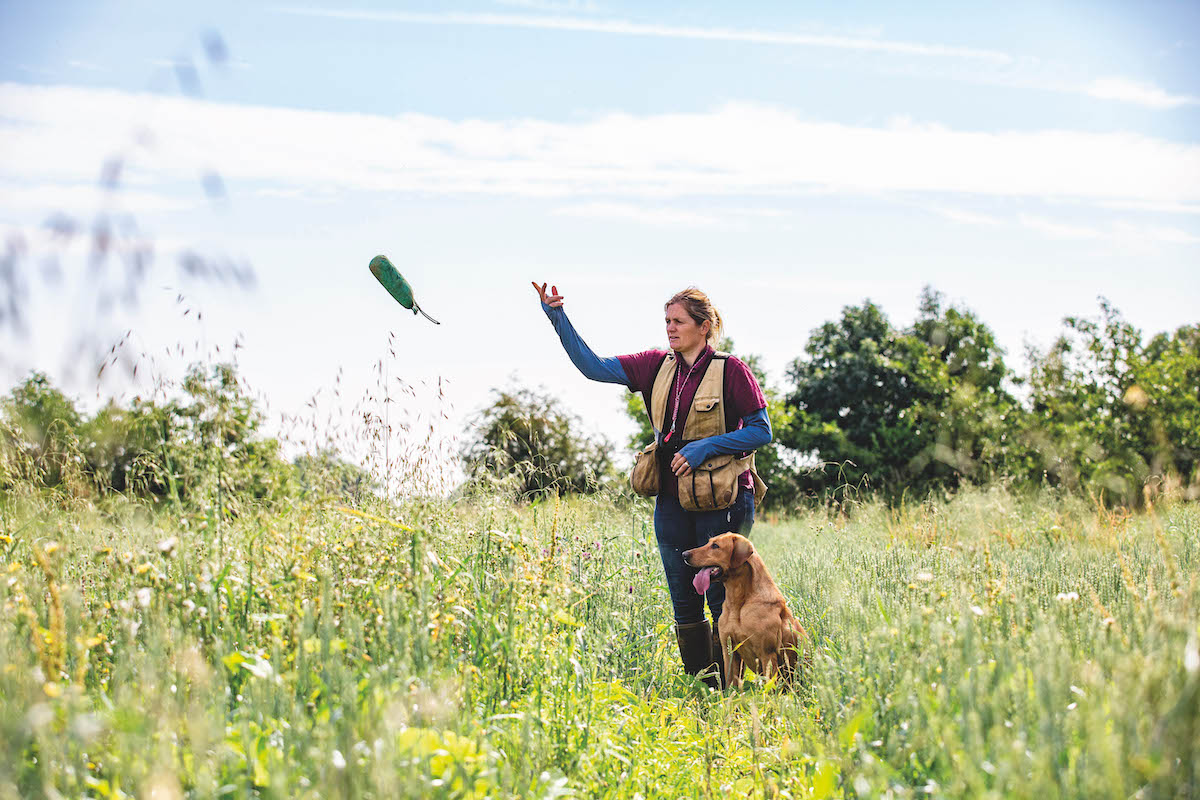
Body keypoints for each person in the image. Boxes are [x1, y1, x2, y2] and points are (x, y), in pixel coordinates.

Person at [532, 281, 771, 688]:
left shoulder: (731, 370)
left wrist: (705, 448)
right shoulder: (654, 365)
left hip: (724, 498)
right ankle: (703, 691)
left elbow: (761, 432)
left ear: (704, 325)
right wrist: (557, 317)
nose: (670, 329)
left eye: (678, 321)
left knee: (721, 596)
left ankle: (738, 689)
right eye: (666, 321)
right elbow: (593, 366)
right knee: (683, 595)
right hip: (672, 498)